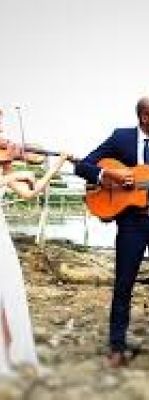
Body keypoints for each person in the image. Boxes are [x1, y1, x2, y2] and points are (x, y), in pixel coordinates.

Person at [75, 97, 149, 368]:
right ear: (144, 117)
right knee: (124, 285)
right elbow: (82, 166)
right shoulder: (121, 138)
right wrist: (113, 176)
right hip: (132, 224)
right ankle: (117, 348)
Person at [0, 109, 69, 376]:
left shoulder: (5, 159)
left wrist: (56, 165)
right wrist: (12, 177)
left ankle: (14, 357)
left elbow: (30, 193)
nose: (3, 134)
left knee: (10, 293)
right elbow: (11, 181)